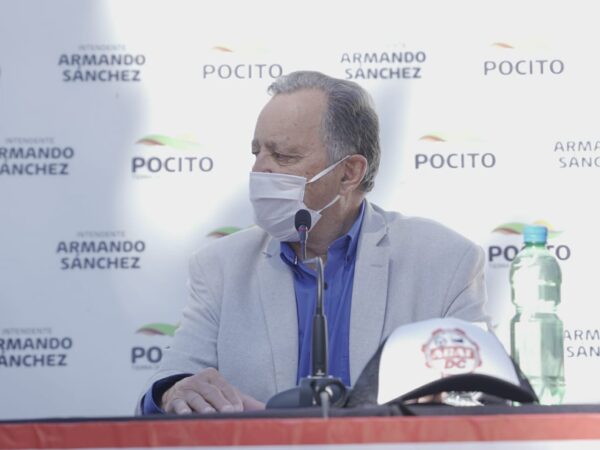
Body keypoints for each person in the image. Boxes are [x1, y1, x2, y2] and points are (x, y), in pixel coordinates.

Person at [138, 70, 488, 415]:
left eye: (284, 156)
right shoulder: (220, 267)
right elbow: (166, 389)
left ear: (349, 173)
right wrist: (173, 391)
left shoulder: (445, 261)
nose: (260, 170)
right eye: (257, 153)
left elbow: (481, 401)